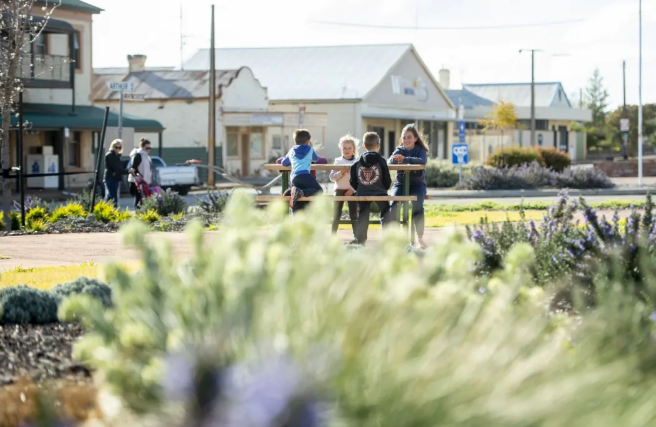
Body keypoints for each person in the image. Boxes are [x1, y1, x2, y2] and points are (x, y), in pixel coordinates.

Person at [389, 123, 429, 249]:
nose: (406, 140)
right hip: (400, 183)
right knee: (393, 204)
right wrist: (397, 159)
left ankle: (420, 238)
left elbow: (422, 161)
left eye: (409, 137)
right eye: (404, 137)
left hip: (417, 184)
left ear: (415, 138)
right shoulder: (399, 150)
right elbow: (390, 161)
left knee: (417, 205)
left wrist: (405, 159)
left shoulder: (420, 150)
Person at [349, 132, 393, 245]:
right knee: (386, 212)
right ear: (378, 145)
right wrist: (385, 188)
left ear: (364, 146)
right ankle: (388, 238)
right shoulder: (382, 161)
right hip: (380, 192)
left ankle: (361, 241)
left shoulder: (357, 163)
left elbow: (352, 180)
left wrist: (358, 188)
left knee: (363, 214)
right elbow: (387, 179)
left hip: (363, 192)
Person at [279, 129, 323, 210]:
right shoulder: (310, 149)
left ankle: (291, 191)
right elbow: (316, 159)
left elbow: (284, 163)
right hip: (305, 175)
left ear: (295, 141)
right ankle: (300, 192)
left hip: (294, 177)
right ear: (308, 141)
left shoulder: (292, 150)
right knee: (319, 190)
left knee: (297, 200)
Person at [329, 135, 359, 237]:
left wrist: (352, 189)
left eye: (349, 148)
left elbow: (360, 179)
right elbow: (332, 177)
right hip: (339, 190)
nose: (347, 150)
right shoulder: (338, 161)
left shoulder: (357, 162)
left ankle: (356, 236)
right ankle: (332, 236)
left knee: (353, 214)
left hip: (352, 191)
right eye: (344, 148)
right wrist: (341, 172)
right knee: (336, 214)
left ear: (354, 149)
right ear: (340, 148)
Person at [103, 139, 132, 208]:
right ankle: (113, 213)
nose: (118, 149)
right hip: (110, 178)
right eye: (116, 147)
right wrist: (127, 171)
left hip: (115, 178)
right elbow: (116, 168)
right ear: (112, 147)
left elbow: (120, 165)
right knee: (113, 198)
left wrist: (128, 162)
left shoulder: (116, 156)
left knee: (111, 197)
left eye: (119, 147)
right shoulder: (110, 155)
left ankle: (109, 212)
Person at [128, 138, 153, 209]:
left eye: (149, 148)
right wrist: (140, 179)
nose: (148, 149)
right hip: (137, 181)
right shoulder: (138, 155)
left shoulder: (147, 156)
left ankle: (142, 214)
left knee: (144, 200)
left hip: (145, 182)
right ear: (142, 147)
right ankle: (138, 214)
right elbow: (134, 169)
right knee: (138, 199)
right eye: (147, 148)